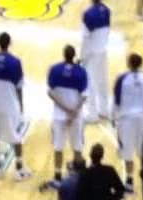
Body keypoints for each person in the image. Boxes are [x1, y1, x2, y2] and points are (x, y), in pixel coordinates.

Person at [0, 32, 27, 180]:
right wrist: (21, 106)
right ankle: (19, 170)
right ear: (9, 43)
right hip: (9, 105)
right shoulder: (15, 62)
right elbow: (19, 87)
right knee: (16, 138)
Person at [112, 53, 143, 189]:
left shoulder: (122, 79)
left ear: (129, 63)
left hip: (127, 120)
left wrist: (112, 117)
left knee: (127, 150)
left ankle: (129, 181)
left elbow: (116, 101)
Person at [46, 45, 88, 182]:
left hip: (59, 115)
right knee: (77, 146)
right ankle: (78, 176)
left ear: (64, 55)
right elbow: (84, 95)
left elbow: (50, 93)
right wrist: (73, 111)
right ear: (74, 55)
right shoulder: (81, 72)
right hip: (76, 116)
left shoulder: (54, 70)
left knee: (58, 146)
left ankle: (57, 176)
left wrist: (64, 109)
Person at [79, 0, 112, 121]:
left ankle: (92, 113)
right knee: (102, 80)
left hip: (91, 51)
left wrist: (82, 56)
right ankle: (104, 110)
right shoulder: (107, 10)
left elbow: (85, 37)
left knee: (89, 82)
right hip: (103, 49)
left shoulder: (88, 14)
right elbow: (107, 30)